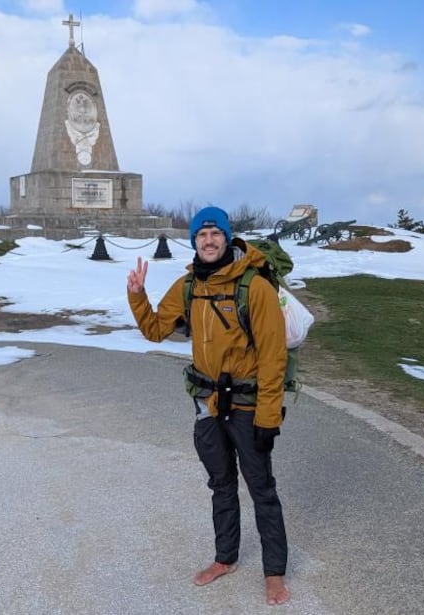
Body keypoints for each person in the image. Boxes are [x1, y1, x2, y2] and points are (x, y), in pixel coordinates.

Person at [126, 206, 290, 606]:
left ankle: (274, 573)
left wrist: (269, 417)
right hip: (208, 407)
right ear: (194, 241)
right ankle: (225, 558)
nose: (210, 240)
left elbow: (273, 358)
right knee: (221, 486)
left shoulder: (256, 288)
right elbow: (154, 329)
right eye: (202, 235)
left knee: (261, 489)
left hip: (249, 408)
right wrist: (137, 296)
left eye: (216, 234)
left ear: (228, 237)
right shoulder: (188, 286)